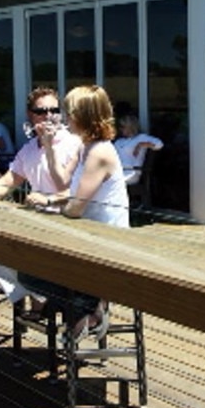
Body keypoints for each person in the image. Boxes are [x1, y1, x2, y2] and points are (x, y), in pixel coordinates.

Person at [0, 87, 83, 318]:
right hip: (38, 224)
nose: (49, 116)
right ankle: (38, 294)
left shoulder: (74, 144)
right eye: (42, 111)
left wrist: (48, 199)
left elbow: (78, 192)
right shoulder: (29, 149)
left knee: (19, 252)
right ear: (31, 115)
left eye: (54, 110)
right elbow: (5, 184)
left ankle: (46, 297)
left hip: (69, 224)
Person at [40, 85, 131, 341]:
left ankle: (87, 310)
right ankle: (81, 307)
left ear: (84, 117)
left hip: (105, 243)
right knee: (33, 266)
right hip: (88, 237)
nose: (64, 118)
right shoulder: (85, 147)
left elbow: (75, 207)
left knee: (38, 266)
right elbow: (61, 183)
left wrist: (50, 202)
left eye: (69, 112)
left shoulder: (100, 152)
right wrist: (48, 147)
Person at [113, 114, 163, 186]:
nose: (121, 129)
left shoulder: (140, 138)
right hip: (117, 172)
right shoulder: (119, 141)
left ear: (130, 127)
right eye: (120, 127)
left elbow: (159, 144)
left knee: (112, 184)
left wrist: (141, 145)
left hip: (131, 172)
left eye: (123, 127)